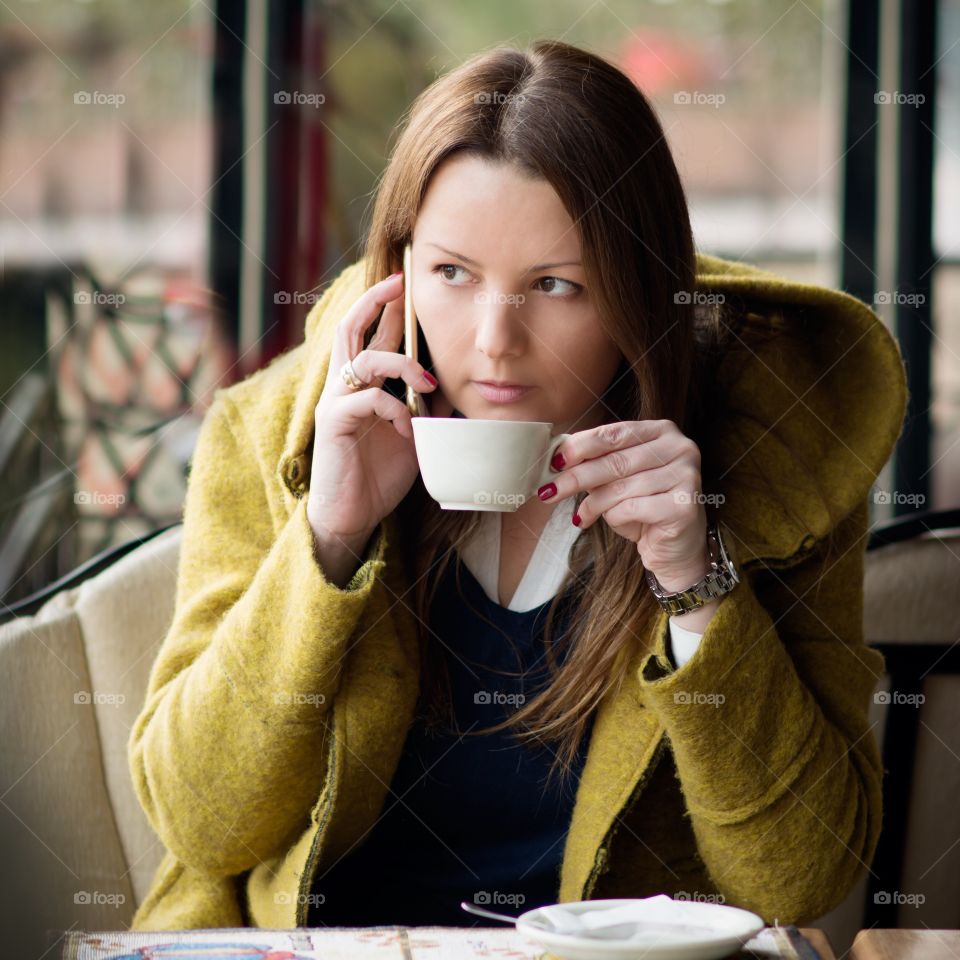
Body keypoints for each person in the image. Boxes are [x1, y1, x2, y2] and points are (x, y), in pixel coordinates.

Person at [128, 39, 907, 931]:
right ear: (399, 268)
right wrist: (328, 537)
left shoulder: (777, 453)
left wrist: (697, 587)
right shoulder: (274, 433)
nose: (496, 340)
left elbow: (804, 879)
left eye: (556, 285)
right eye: (452, 274)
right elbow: (203, 822)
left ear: (641, 294)